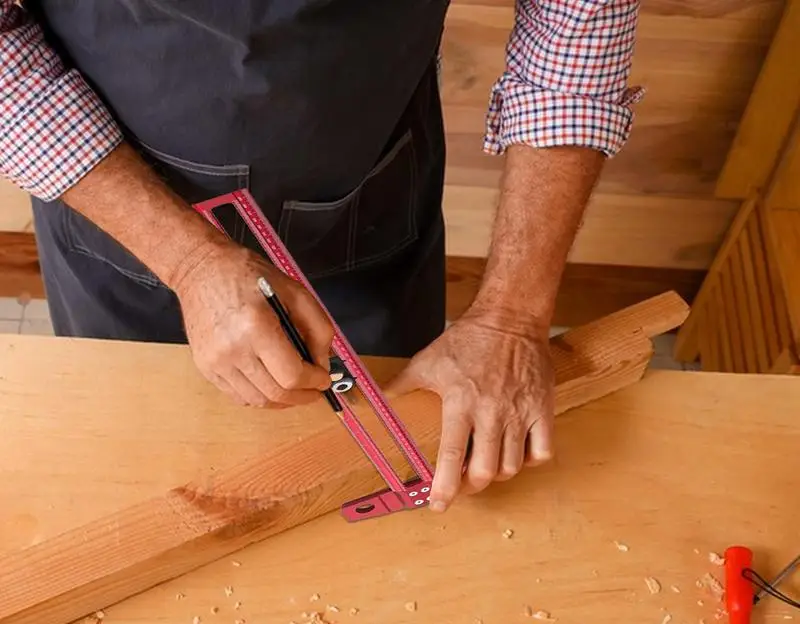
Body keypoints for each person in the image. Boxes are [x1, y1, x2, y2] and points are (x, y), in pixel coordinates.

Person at [1, 1, 642, 513]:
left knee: (397, 463)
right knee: (130, 473)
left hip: (367, 203)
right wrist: (188, 261)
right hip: (117, 210)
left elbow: (577, 21)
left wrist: (511, 316)